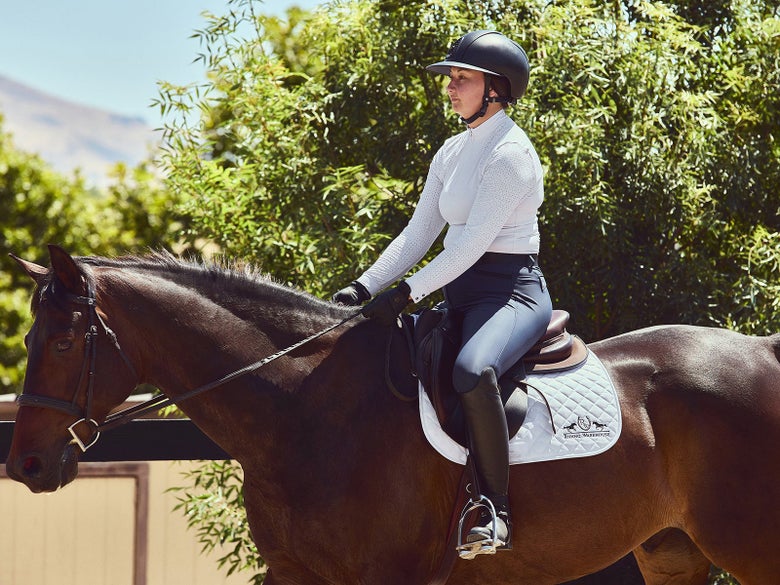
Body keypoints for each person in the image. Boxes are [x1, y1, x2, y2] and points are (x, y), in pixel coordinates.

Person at [332, 30, 553, 558]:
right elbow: (418, 233)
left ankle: (495, 510)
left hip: (511, 295)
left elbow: (473, 246)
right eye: (451, 78)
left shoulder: (510, 154)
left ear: (495, 89)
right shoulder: (454, 150)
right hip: (459, 294)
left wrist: (406, 293)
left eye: (462, 78)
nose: (450, 88)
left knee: (473, 372)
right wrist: (363, 285)